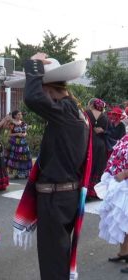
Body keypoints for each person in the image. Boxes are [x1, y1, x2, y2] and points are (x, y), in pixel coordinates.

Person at [18, 53, 89, 280]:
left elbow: (33, 98)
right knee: (57, 259)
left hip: (56, 198)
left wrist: (33, 64)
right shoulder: (74, 111)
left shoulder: (66, 110)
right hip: (64, 196)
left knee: (53, 264)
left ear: (48, 89)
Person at [94, 135, 128, 273]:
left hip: (124, 182)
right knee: (122, 220)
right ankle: (124, 252)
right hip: (120, 184)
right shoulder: (126, 137)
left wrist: (125, 173)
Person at [85, 98, 109, 199]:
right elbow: (107, 130)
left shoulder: (86, 113)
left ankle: (85, 191)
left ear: (92, 105)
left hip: (88, 142)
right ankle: (95, 193)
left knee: (87, 165)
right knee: (98, 167)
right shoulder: (105, 117)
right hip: (101, 144)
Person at [5, 110, 32, 179]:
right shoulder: (12, 124)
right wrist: (17, 134)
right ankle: (15, 173)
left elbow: (25, 132)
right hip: (14, 142)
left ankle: (24, 173)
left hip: (23, 143)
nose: (20, 116)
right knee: (15, 157)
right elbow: (9, 134)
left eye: (21, 114)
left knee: (24, 157)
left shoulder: (23, 123)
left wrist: (24, 134)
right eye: (18, 114)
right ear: (15, 116)